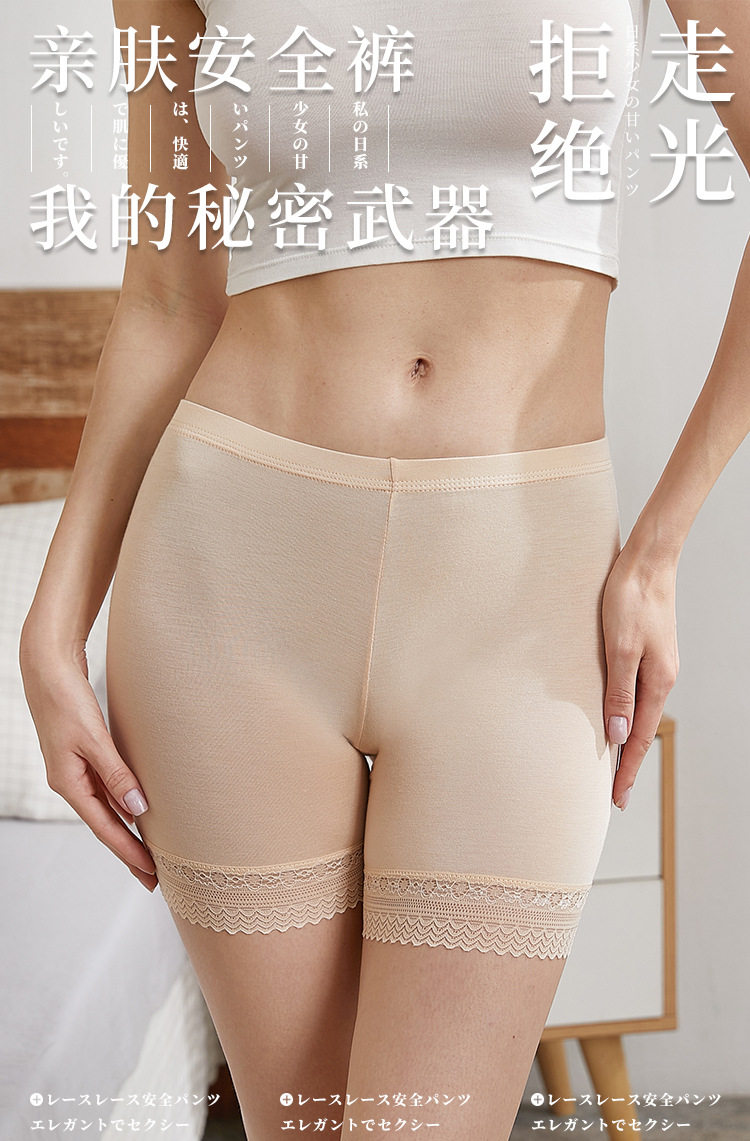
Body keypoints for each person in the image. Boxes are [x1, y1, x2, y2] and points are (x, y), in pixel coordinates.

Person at [18, 0, 749, 1137]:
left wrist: (659, 550)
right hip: (229, 577)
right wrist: (52, 623)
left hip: (520, 597)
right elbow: (166, 289)